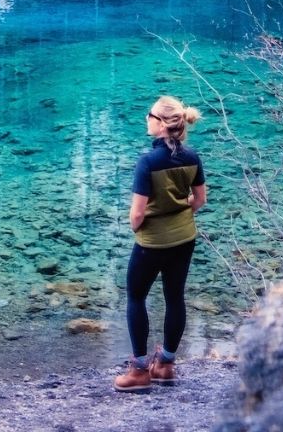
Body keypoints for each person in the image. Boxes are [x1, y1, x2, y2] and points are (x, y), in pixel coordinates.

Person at [114, 94, 206, 392]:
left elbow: (137, 214)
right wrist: (178, 212)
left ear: (162, 124)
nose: (146, 119)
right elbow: (200, 200)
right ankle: (165, 365)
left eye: (149, 115)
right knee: (175, 297)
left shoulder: (147, 162)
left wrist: (140, 225)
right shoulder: (192, 157)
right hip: (184, 238)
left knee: (136, 297)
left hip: (151, 243)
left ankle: (140, 370)